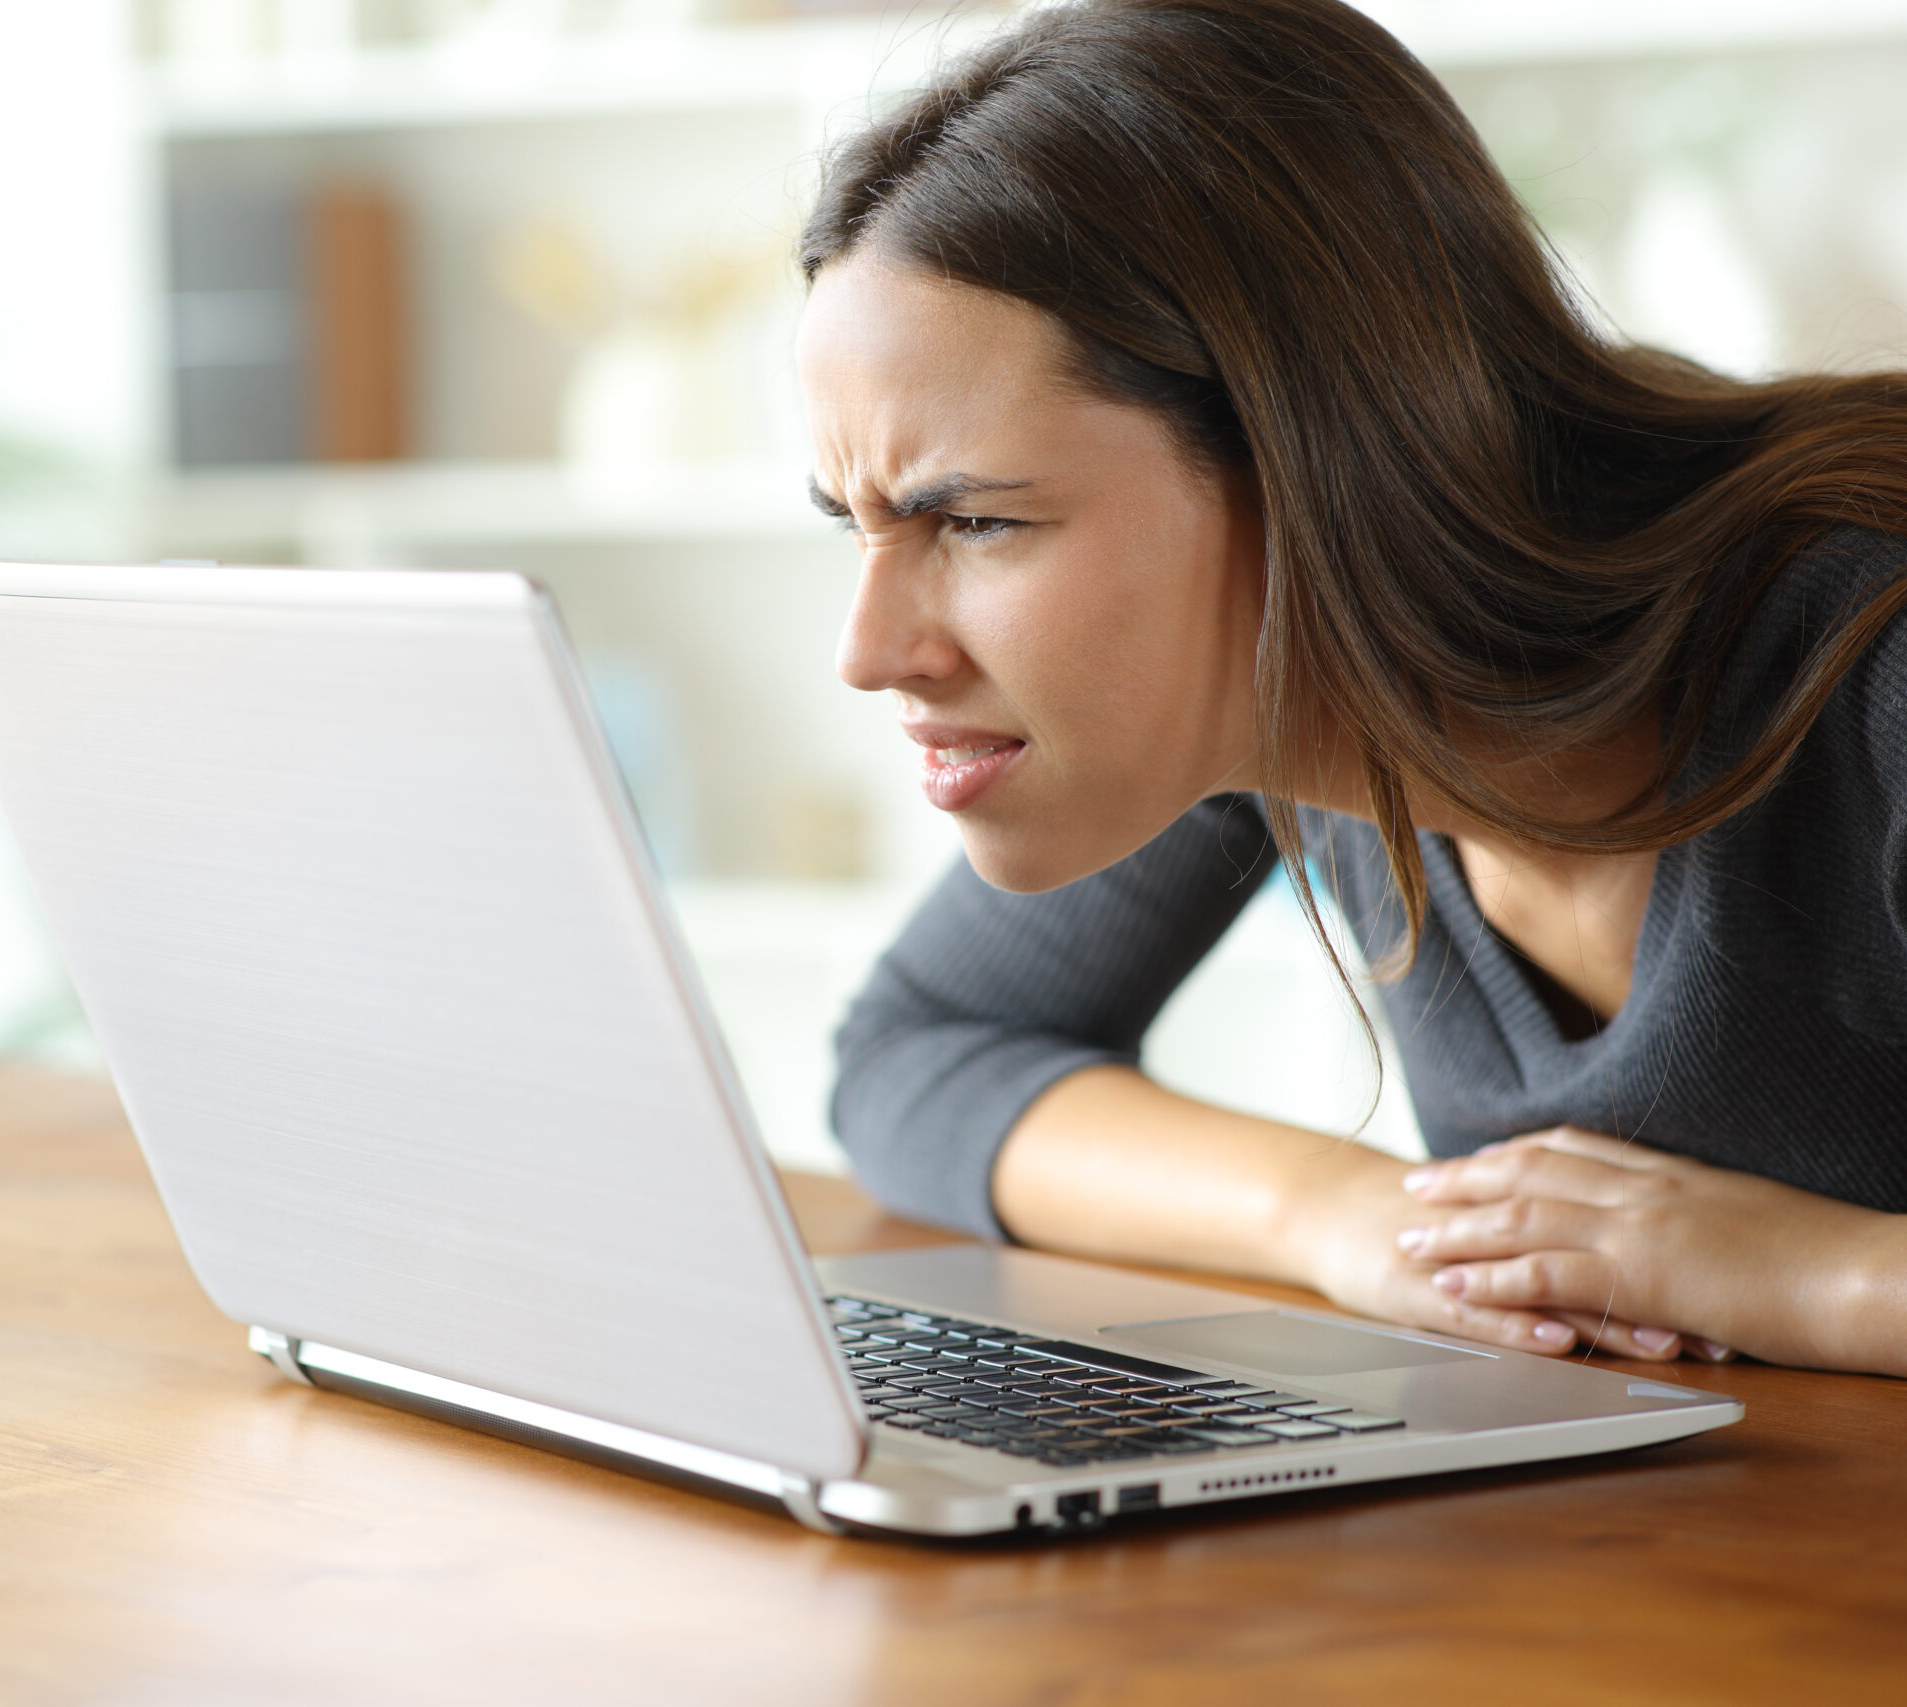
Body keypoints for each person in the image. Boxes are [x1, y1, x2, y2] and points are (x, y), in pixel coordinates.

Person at [805, 0, 1907, 1376]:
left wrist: (1820, 1275)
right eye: (854, 524)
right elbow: (923, 1050)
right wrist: (1357, 1217)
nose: (868, 650)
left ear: (1308, 457)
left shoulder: (1876, 655)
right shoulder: (1263, 717)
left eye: (973, 522)